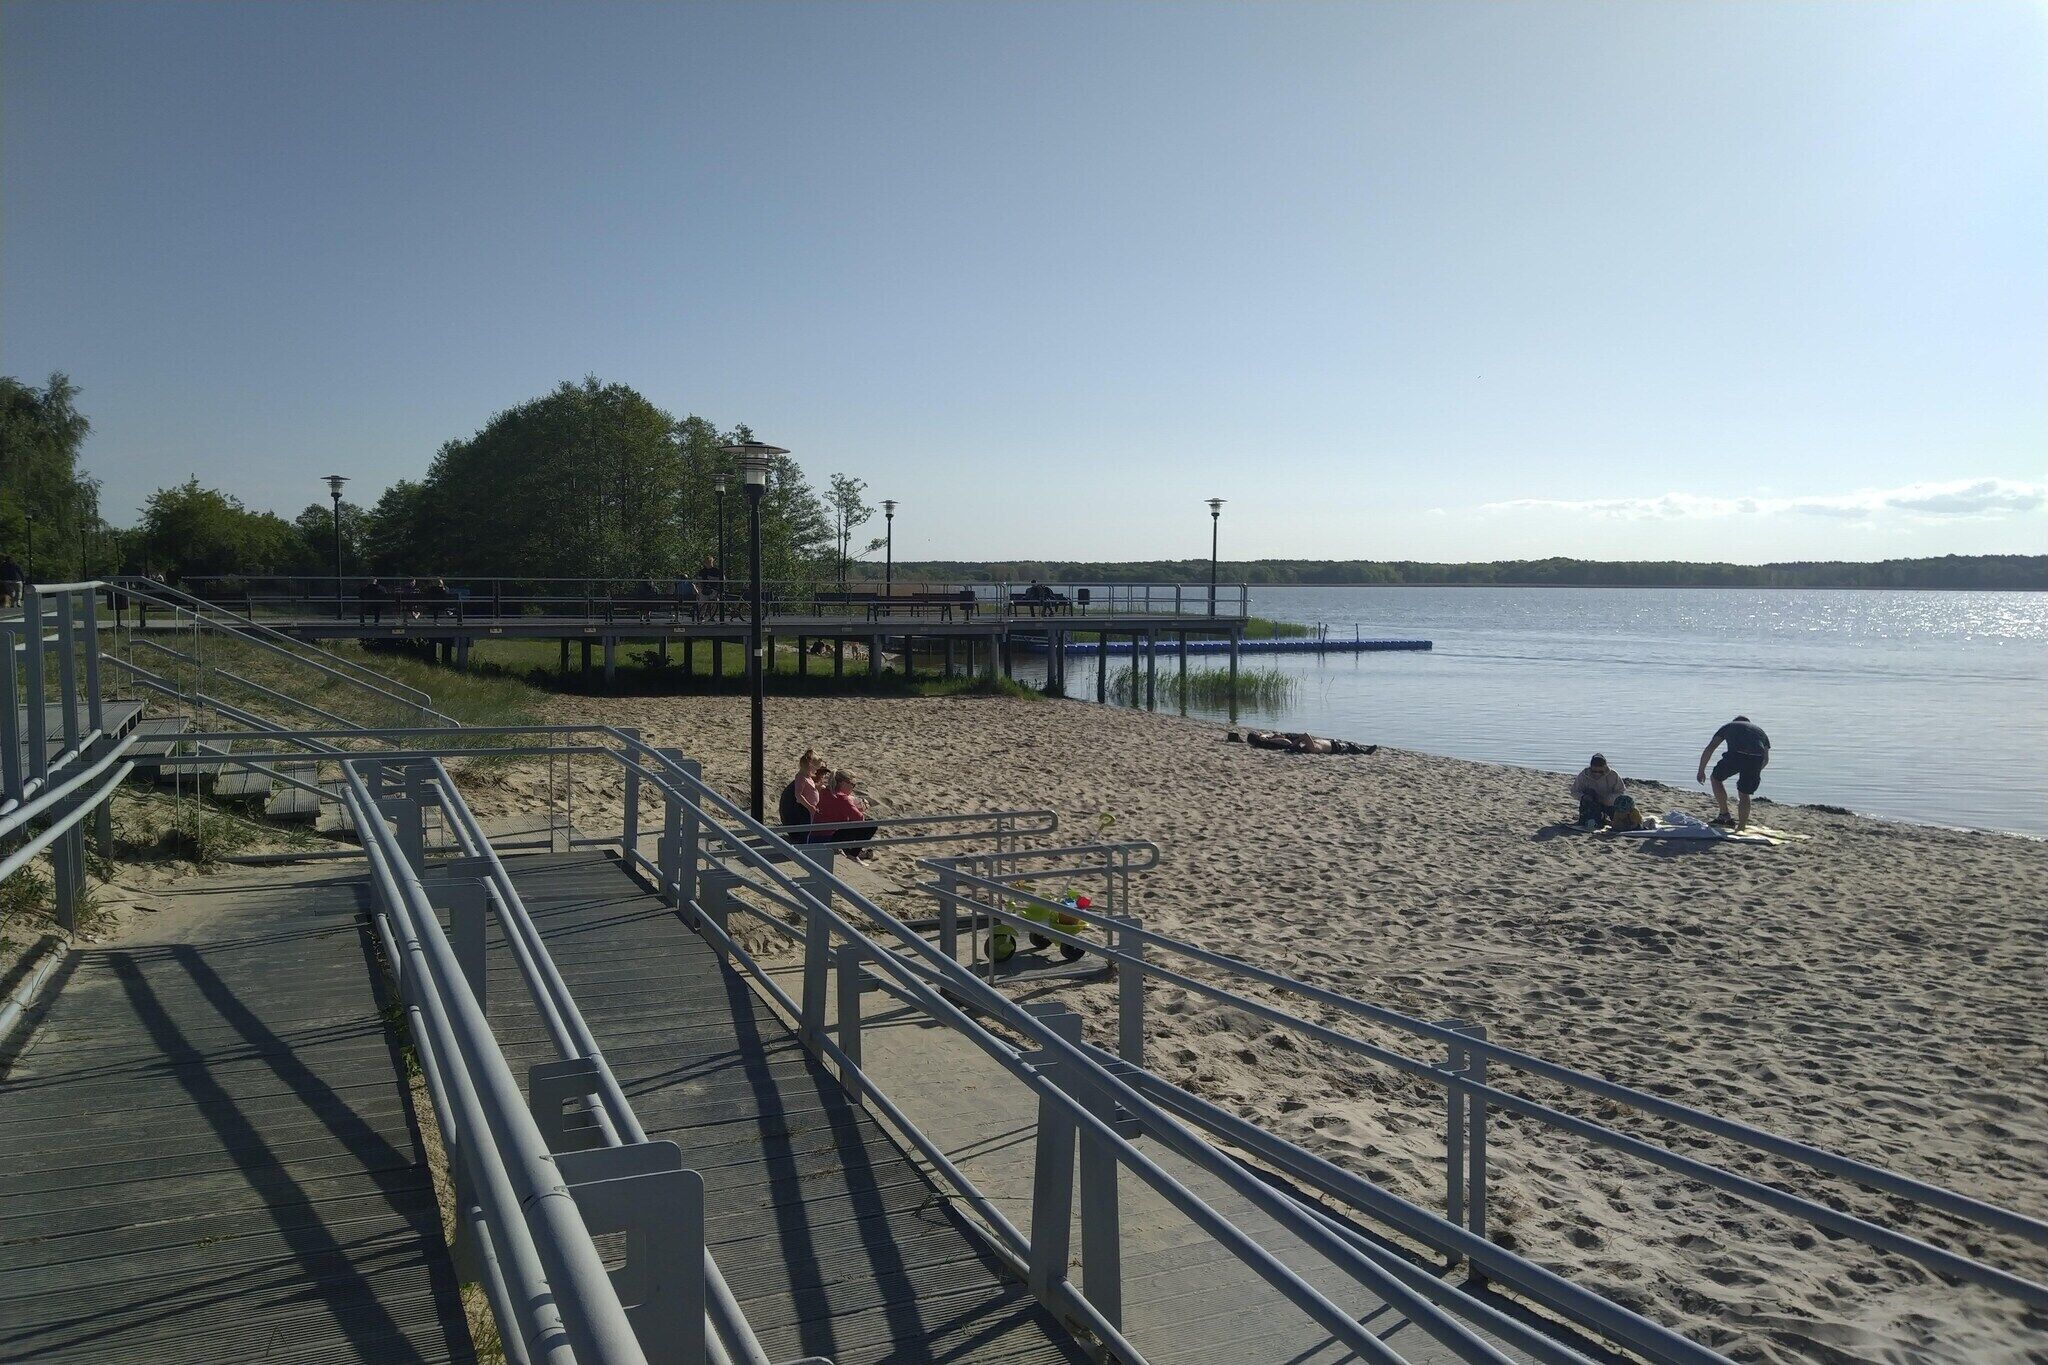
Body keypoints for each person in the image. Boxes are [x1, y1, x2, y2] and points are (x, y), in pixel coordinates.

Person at [1698, 715, 1771, 829]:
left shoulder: (1729, 726)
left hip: (1736, 755)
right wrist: (1755, 772)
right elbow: (1765, 759)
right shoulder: (1760, 731)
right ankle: (1741, 827)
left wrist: (1701, 770)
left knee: (1716, 778)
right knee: (1744, 793)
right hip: (1756, 759)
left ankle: (1724, 815)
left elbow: (1711, 748)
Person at [811, 770, 879, 859]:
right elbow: (860, 819)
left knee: (848, 824)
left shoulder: (825, 791)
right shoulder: (842, 798)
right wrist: (860, 809)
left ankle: (850, 851)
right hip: (830, 837)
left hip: (814, 835)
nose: (853, 788)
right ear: (843, 783)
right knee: (871, 825)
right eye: (852, 784)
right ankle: (853, 854)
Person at [1568, 753, 1625, 829]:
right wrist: (1584, 797)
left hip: (1610, 804)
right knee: (1590, 819)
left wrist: (1609, 799)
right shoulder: (1584, 775)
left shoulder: (1613, 775)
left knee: (1622, 823)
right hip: (1591, 804)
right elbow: (1574, 791)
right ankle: (1596, 820)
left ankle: (1605, 819)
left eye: (1600, 772)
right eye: (1594, 771)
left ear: (1605, 767)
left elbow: (1621, 792)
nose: (1597, 774)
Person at [777, 750, 824, 831]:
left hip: (811, 808)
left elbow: (808, 788)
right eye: (816, 769)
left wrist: (818, 787)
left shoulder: (808, 777)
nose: (817, 771)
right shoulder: (801, 777)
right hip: (805, 810)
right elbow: (798, 796)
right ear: (810, 766)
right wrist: (810, 807)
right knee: (810, 829)